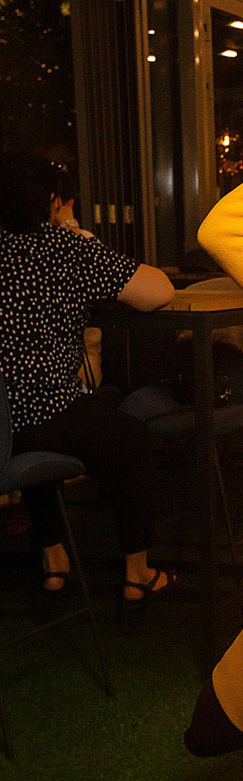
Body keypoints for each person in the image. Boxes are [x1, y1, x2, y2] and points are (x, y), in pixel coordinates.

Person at [0, 155, 177, 606]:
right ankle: (138, 574)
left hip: (5, 429)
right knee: (129, 439)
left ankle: (54, 560)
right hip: (47, 412)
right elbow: (159, 291)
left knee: (32, 434)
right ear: (52, 201)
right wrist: (72, 233)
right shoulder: (66, 249)